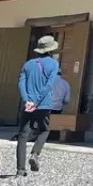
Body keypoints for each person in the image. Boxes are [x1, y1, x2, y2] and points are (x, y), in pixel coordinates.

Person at [16, 35, 60, 177]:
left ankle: (20, 169)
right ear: (51, 50)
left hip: (28, 104)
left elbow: (21, 83)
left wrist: (27, 100)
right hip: (43, 103)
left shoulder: (27, 64)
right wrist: (36, 101)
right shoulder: (53, 64)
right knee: (44, 130)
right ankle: (35, 154)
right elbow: (48, 85)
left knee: (23, 135)